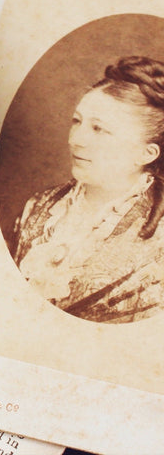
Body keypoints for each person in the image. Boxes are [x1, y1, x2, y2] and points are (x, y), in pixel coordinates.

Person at [12, 55, 164, 323]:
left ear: (146, 153)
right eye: (76, 121)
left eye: (98, 129)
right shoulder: (39, 206)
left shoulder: (159, 240)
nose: (75, 140)